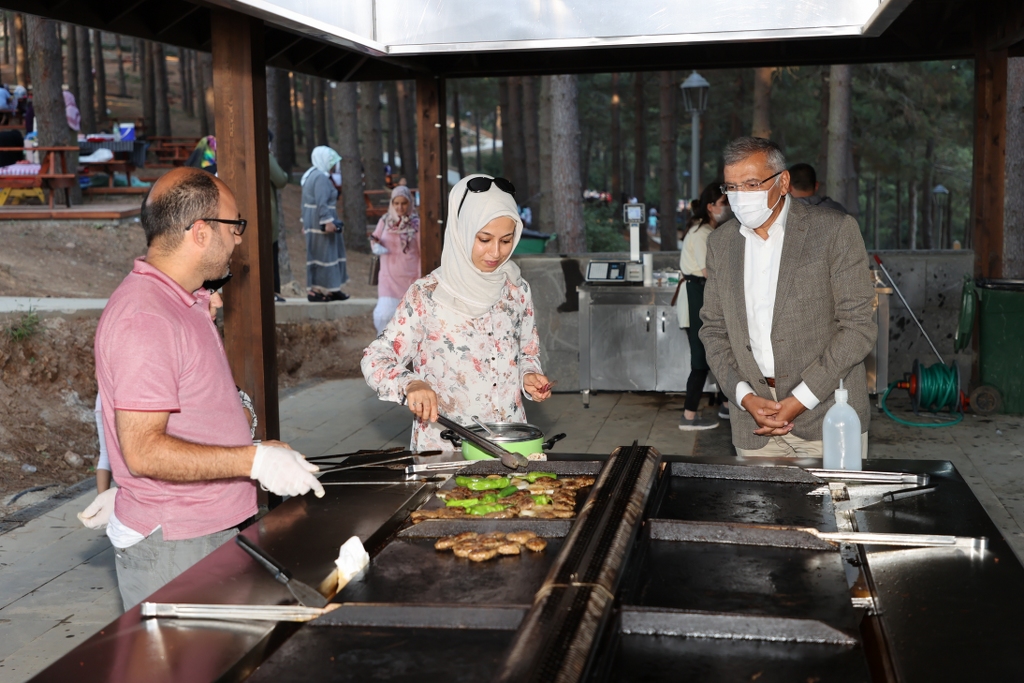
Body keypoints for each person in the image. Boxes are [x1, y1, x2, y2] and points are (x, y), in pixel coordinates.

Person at [86, 167, 324, 611]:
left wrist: (252, 447)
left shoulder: (185, 300)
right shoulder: (147, 318)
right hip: (178, 542)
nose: (238, 239)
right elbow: (143, 450)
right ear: (200, 232)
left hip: (206, 529)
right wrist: (253, 460)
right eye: (235, 226)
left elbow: (194, 412)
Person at [699, 137, 876, 458]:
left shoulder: (834, 231)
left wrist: (800, 400)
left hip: (828, 417)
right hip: (753, 420)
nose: (740, 197)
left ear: (783, 182)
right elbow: (713, 329)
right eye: (731, 188)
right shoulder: (721, 244)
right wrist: (744, 396)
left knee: (836, 508)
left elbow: (858, 328)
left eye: (751, 184)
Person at [361, 174, 553, 450]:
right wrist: (409, 383)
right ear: (461, 231)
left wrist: (529, 376)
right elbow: (375, 358)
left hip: (511, 444)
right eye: (484, 239)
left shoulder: (516, 289)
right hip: (446, 447)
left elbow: (527, 353)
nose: (496, 252)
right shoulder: (426, 294)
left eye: (507, 240)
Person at [678, 182, 731, 431]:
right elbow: (709, 272)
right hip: (696, 296)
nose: (727, 208)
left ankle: (727, 405)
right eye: (723, 204)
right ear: (710, 207)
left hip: (705, 297)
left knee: (719, 352)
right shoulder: (701, 234)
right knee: (700, 359)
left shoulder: (712, 231)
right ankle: (688, 416)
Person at [301, 146, 349, 302]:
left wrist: (305, 222)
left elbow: (306, 202)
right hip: (320, 222)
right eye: (331, 162)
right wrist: (327, 221)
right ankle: (316, 290)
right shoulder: (320, 178)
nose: (334, 165)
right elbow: (321, 202)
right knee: (324, 255)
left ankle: (331, 289)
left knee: (324, 254)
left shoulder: (311, 175)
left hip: (313, 221)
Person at [371, 185, 420, 333]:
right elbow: (375, 237)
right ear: (392, 203)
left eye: (404, 203)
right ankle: (385, 349)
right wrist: (375, 246)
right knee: (383, 315)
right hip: (388, 278)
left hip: (410, 278)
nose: (400, 207)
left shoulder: (417, 223)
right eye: (396, 203)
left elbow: (422, 250)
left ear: (409, 203)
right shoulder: (385, 221)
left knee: (409, 320)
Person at [267, 133, 289, 302]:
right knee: (270, 251)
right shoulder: (265, 156)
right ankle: (271, 292)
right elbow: (281, 179)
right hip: (266, 213)